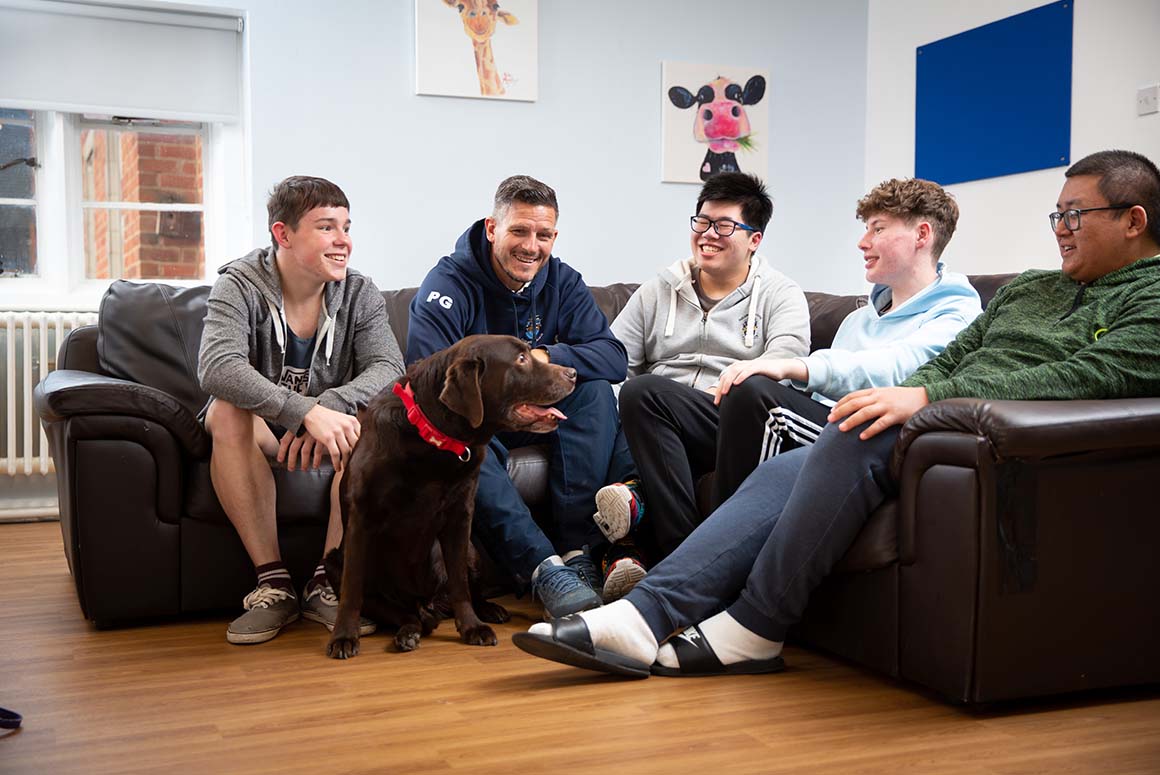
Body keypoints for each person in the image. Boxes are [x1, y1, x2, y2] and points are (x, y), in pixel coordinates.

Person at [513, 148, 1160, 677]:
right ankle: (650, 614)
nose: (1060, 228)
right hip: (920, 424)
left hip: (974, 434)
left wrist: (924, 397)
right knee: (791, 460)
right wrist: (920, 392)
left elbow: (1097, 374)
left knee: (837, 419)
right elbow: (955, 359)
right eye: (1057, 214)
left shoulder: (1149, 296)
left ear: (1133, 220)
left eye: (1075, 214)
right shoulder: (1031, 289)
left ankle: (747, 621)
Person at [596, 177, 982, 601]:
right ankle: (680, 559)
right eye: (866, 229)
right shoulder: (860, 318)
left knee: (753, 389)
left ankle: (697, 574)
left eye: (877, 229)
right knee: (645, 394)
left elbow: (896, 367)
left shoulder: (957, 312)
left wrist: (790, 366)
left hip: (861, 437)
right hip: (816, 420)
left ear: (921, 235)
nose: (862, 242)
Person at [407, 174, 630, 618]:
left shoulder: (562, 281)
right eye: (519, 231)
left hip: (533, 412)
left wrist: (542, 358)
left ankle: (577, 554)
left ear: (554, 237)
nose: (531, 246)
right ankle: (543, 569)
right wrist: (505, 408)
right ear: (492, 229)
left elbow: (613, 358)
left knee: (595, 392)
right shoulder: (447, 284)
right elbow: (428, 384)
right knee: (463, 435)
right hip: (476, 420)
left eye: (543, 235)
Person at [198, 176, 404, 644]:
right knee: (226, 410)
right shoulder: (238, 284)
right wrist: (301, 412)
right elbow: (218, 366)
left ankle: (326, 582)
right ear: (283, 234)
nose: (343, 240)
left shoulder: (360, 292)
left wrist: (327, 407)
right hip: (262, 432)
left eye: (346, 227)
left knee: (368, 421)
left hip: (327, 435)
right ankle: (273, 584)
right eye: (326, 227)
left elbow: (389, 367)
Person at [592, 172, 810, 599]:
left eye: (724, 226)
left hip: (730, 419)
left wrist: (696, 398)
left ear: (754, 239)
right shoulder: (658, 291)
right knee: (617, 407)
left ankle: (641, 529)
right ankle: (664, 560)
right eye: (702, 222)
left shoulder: (780, 294)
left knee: (644, 393)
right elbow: (613, 361)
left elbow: (782, 367)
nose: (708, 234)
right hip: (656, 423)